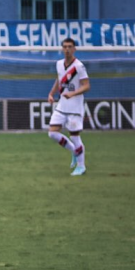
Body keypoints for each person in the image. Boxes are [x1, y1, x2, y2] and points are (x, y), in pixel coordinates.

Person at [47, 37, 90, 176]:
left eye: (70, 46)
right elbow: (60, 79)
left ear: (74, 49)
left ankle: (81, 166)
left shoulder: (79, 66)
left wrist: (73, 93)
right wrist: (51, 93)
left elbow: (87, 86)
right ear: (62, 49)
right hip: (62, 105)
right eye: (65, 47)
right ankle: (73, 151)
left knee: (74, 136)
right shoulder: (59, 64)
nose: (67, 49)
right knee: (52, 133)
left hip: (75, 107)